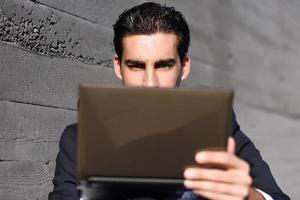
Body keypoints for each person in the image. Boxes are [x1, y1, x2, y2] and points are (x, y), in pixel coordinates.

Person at [49, 2, 290, 200]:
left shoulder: (218, 132)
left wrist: (247, 196)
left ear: (183, 67)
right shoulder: (79, 141)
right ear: (118, 66)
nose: (150, 83)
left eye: (164, 65)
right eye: (136, 65)